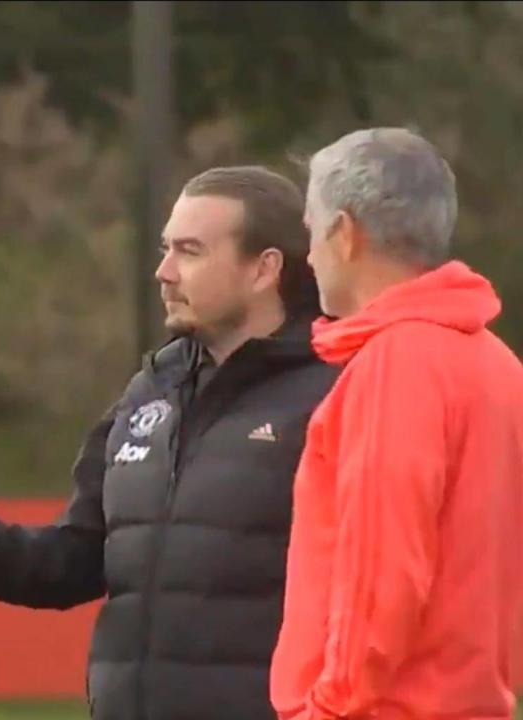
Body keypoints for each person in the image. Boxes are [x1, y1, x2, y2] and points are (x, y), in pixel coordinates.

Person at [0, 166, 341, 719]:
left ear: (263, 269)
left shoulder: (339, 390)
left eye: (191, 251)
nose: (164, 271)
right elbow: (68, 565)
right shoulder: (152, 389)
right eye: (165, 248)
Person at [270, 128, 523, 719]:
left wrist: (327, 709)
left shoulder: (398, 363)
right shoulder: (494, 361)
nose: (308, 256)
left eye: (311, 232)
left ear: (344, 233)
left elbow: (381, 574)